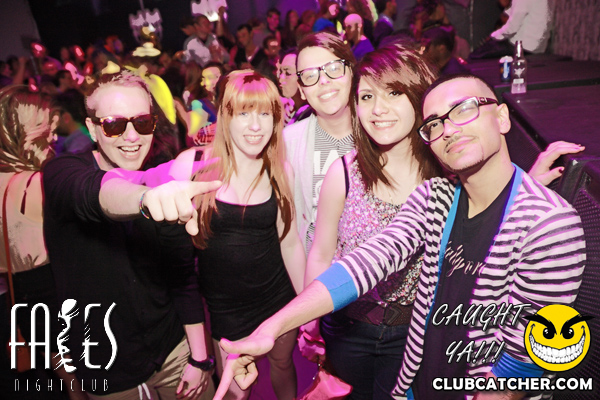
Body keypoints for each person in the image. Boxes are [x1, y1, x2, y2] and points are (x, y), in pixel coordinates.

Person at [212, 73, 586, 400]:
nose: (449, 129)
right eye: (435, 123)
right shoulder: (436, 197)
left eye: (463, 110)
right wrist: (273, 328)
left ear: (502, 117)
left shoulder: (550, 225)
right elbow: (367, 263)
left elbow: (521, 364)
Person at [43, 70, 217, 399]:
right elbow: (98, 193)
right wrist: (145, 198)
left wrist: (200, 358)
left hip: (173, 351)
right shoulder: (62, 172)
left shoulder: (164, 179)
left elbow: (182, 277)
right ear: (93, 128)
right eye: (114, 125)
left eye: (142, 122)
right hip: (106, 365)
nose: (132, 136)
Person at [303, 43, 442, 400]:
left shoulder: (445, 177)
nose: (378, 109)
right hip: (347, 330)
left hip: (416, 334)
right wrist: (310, 322)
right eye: (366, 97)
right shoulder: (345, 172)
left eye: (393, 93)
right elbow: (321, 253)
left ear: (419, 97)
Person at [186, 70, 306, 399]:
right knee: (236, 390)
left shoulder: (280, 170)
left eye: (265, 114)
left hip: (277, 297)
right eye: (244, 114)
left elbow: (290, 243)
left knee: (282, 363)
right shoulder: (197, 167)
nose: (256, 126)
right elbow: (142, 186)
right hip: (226, 309)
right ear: (226, 117)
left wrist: (307, 307)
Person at [0, 85, 86, 400]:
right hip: (56, 292)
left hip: (20, 299)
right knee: (83, 383)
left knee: (66, 381)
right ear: (25, 129)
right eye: (45, 125)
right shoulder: (37, 184)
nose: (53, 132)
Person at [284, 32, 357, 254]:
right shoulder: (289, 143)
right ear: (301, 89)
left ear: (351, 72)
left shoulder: (380, 134)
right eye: (310, 75)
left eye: (333, 68)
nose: (323, 81)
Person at [277, 48, 310, 126]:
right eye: (281, 72)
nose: (281, 79)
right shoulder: (289, 109)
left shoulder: (310, 115)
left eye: (288, 73)